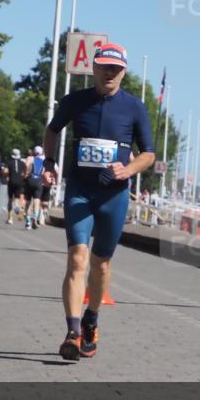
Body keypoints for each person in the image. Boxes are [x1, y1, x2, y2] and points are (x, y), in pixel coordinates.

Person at [41, 43, 155, 360]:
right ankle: (73, 332)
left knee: (101, 264)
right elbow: (51, 131)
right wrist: (48, 164)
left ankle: (91, 318)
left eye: (115, 69)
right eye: (104, 67)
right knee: (77, 259)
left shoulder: (134, 107)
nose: (109, 73)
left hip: (113, 196)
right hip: (79, 191)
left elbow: (148, 154)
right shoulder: (75, 101)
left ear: (124, 72)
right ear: (93, 68)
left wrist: (128, 169)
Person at [23, 146, 46, 229]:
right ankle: (35, 217)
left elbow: (26, 165)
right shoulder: (44, 161)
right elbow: (43, 172)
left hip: (30, 179)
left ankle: (28, 222)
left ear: (34, 152)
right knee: (37, 200)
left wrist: (26, 173)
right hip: (39, 180)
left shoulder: (30, 158)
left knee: (28, 201)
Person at [4, 148, 26, 225]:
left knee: (10, 199)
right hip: (20, 182)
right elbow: (25, 172)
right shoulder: (22, 163)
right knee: (18, 198)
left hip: (11, 182)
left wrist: (6, 176)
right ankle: (18, 208)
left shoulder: (8, 162)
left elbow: (5, 171)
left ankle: (10, 218)